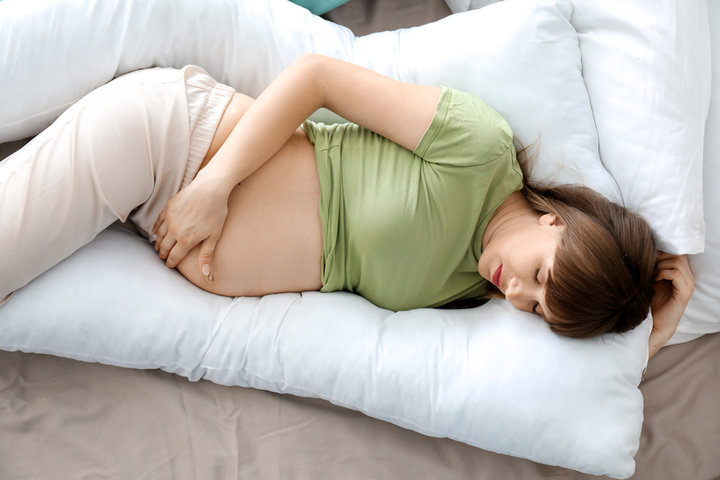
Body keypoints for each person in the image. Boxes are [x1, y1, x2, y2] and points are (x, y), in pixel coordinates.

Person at [0, 54, 694, 360]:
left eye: (539, 311)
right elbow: (317, 78)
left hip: (151, 224)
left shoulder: (470, 290)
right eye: (540, 277)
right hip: (171, 146)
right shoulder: (480, 153)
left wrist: (662, 319)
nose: (517, 296)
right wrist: (211, 190)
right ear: (556, 221)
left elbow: (586, 386)